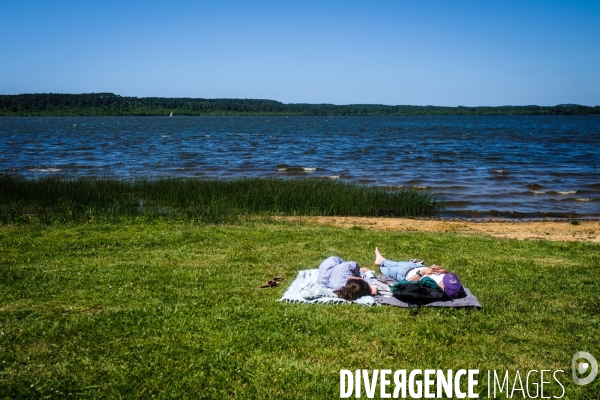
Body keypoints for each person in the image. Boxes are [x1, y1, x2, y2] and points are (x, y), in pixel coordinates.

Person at [374, 247, 465, 298]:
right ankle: (381, 260)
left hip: (404, 273)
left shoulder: (431, 286)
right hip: (417, 266)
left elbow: (406, 283)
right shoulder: (448, 280)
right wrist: (441, 270)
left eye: (444, 281)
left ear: (443, 288)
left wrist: (423, 272)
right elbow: (445, 274)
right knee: (396, 263)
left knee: (387, 266)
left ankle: (381, 260)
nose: (444, 278)